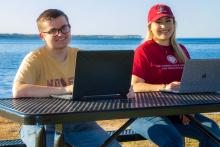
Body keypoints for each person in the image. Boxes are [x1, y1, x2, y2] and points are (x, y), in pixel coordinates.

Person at [12, 9, 121, 147]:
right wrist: (65, 89)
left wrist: (122, 88)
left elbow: (102, 82)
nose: (60, 34)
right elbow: (18, 91)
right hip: (40, 124)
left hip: (78, 122)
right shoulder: (34, 59)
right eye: (53, 31)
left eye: (64, 28)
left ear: (69, 28)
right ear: (42, 36)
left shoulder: (81, 56)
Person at [129, 3, 220, 147]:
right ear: (150, 26)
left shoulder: (181, 50)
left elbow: (190, 84)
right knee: (174, 141)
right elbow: (135, 85)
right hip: (145, 113)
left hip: (177, 112)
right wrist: (165, 87)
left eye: (168, 21)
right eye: (158, 22)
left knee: (213, 131)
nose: (164, 26)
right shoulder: (143, 51)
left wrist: (190, 109)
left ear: (174, 24)